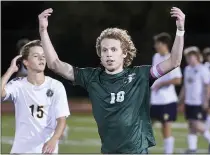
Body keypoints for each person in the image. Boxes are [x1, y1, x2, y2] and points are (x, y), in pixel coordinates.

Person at [38, 7, 185, 153]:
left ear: (124, 53)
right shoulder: (91, 77)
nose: (109, 54)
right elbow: (55, 64)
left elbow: (174, 62)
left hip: (136, 151)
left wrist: (180, 30)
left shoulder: (140, 75)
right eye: (104, 50)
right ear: (100, 55)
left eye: (114, 49)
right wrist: (43, 31)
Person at [1, 40, 70, 154]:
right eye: (36, 56)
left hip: (46, 151)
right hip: (21, 151)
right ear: (26, 62)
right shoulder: (18, 85)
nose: (41, 59)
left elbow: (61, 120)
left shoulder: (56, 86)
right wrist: (10, 70)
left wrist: (53, 140)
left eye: (43, 56)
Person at [179, 46, 210, 153]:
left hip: (199, 102)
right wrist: (180, 99)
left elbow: (208, 86)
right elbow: (185, 86)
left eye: (191, 57)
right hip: (189, 102)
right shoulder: (187, 69)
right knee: (191, 125)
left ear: (197, 57)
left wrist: (206, 101)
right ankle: (192, 148)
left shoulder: (203, 69)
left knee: (196, 124)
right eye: (187, 57)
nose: (189, 59)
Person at [150, 32, 182, 154]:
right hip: (155, 99)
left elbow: (178, 80)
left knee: (166, 128)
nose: (155, 46)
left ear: (165, 44)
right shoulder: (156, 57)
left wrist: (161, 84)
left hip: (167, 100)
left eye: (157, 44)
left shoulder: (173, 58)